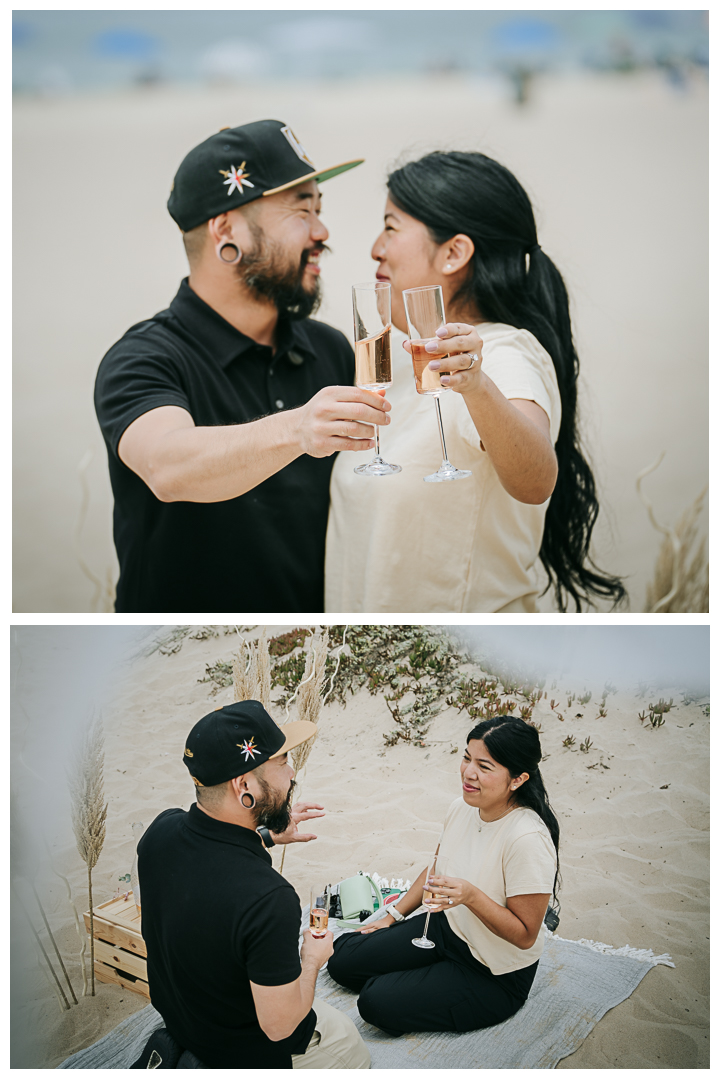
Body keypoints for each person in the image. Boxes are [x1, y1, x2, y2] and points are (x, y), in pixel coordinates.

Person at [94, 119, 391, 612]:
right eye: (302, 211)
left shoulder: (333, 350)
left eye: (320, 209)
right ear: (226, 230)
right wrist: (298, 428)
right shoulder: (143, 358)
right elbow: (168, 467)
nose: (322, 232)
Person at [325, 150, 627, 613]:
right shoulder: (404, 359)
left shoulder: (503, 354)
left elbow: (535, 479)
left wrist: (476, 384)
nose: (376, 248)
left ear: (454, 253)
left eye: (391, 225)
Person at [137, 700, 370, 1069]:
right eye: (280, 763)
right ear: (244, 785)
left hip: (184, 1021)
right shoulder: (268, 898)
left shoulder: (159, 832)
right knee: (351, 1046)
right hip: (242, 1051)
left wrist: (266, 835)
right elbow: (279, 1027)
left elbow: (209, 866)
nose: (291, 773)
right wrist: (312, 960)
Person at [326, 716, 559, 1036]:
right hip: (446, 929)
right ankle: (428, 974)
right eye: (467, 758)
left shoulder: (527, 838)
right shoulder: (462, 807)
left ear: (517, 779)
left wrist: (472, 896)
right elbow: (436, 867)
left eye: (485, 766)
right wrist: (392, 916)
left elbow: (524, 935)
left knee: (376, 1001)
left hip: (493, 972)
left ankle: (431, 981)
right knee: (342, 959)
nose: (468, 773)